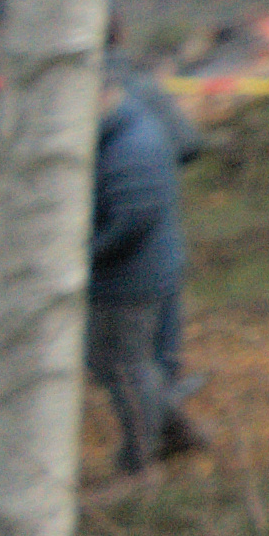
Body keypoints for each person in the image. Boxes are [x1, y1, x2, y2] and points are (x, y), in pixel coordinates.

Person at [89, 60, 209, 477]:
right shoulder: (125, 129)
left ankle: (141, 459)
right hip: (145, 270)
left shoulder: (131, 144)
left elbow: (131, 217)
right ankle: (176, 431)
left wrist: (79, 258)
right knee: (138, 364)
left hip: (129, 279)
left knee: (124, 368)